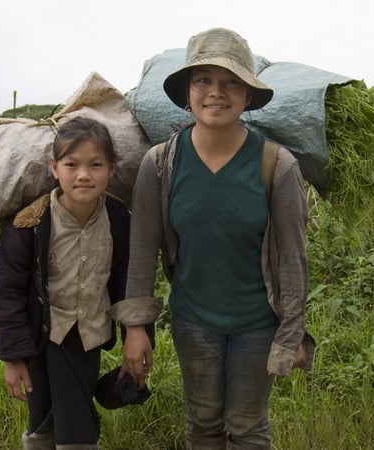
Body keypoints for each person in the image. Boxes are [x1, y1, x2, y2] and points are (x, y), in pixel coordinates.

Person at [124, 27, 315, 449]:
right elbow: (141, 253)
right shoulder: (160, 165)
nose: (217, 92)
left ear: (248, 96)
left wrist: (291, 333)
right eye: (204, 81)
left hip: (258, 322)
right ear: (187, 92)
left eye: (232, 82)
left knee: (247, 426)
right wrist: (136, 327)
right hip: (193, 320)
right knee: (204, 424)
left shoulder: (276, 165)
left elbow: (293, 261)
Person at [0, 117, 157, 450]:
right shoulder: (29, 225)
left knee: (75, 421)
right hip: (40, 338)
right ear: (54, 168)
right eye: (72, 164)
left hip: (87, 338)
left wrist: (136, 333)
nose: (83, 174)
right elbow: (7, 295)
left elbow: (129, 280)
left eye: (95, 164)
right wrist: (12, 358)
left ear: (112, 169)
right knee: (42, 418)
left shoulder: (119, 220)